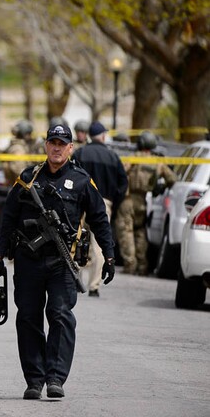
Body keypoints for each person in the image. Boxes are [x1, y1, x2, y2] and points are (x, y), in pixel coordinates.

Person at [0, 123, 115, 400]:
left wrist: (109, 255)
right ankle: (34, 380)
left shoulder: (82, 181)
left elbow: (100, 220)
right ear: (46, 146)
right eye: (53, 143)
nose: (57, 148)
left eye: (63, 143)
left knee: (60, 316)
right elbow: (9, 217)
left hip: (63, 262)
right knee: (28, 318)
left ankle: (55, 377)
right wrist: (0, 254)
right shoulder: (28, 178)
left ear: (71, 148)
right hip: (28, 260)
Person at [72, 121, 128, 296]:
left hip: (80, 202)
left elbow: (71, 175)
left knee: (76, 240)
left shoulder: (80, 153)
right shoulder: (113, 157)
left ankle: (74, 279)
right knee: (98, 245)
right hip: (103, 203)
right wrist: (113, 203)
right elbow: (123, 183)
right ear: (103, 136)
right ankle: (94, 286)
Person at [115, 131, 176, 275]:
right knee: (140, 232)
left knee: (126, 231)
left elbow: (120, 173)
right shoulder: (158, 163)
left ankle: (130, 265)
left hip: (128, 200)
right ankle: (142, 266)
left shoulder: (132, 158)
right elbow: (172, 178)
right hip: (143, 201)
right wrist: (160, 188)